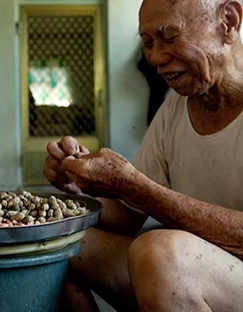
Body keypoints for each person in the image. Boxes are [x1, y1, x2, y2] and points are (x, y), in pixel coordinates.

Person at [43, 0, 243, 311]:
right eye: (148, 43)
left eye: (170, 36)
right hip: (191, 267)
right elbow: (128, 214)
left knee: (161, 253)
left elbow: (141, 193)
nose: (155, 58)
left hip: (216, 272)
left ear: (228, 21)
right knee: (57, 243)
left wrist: (132, 184)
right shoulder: (175, 108)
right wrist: (79, 185)